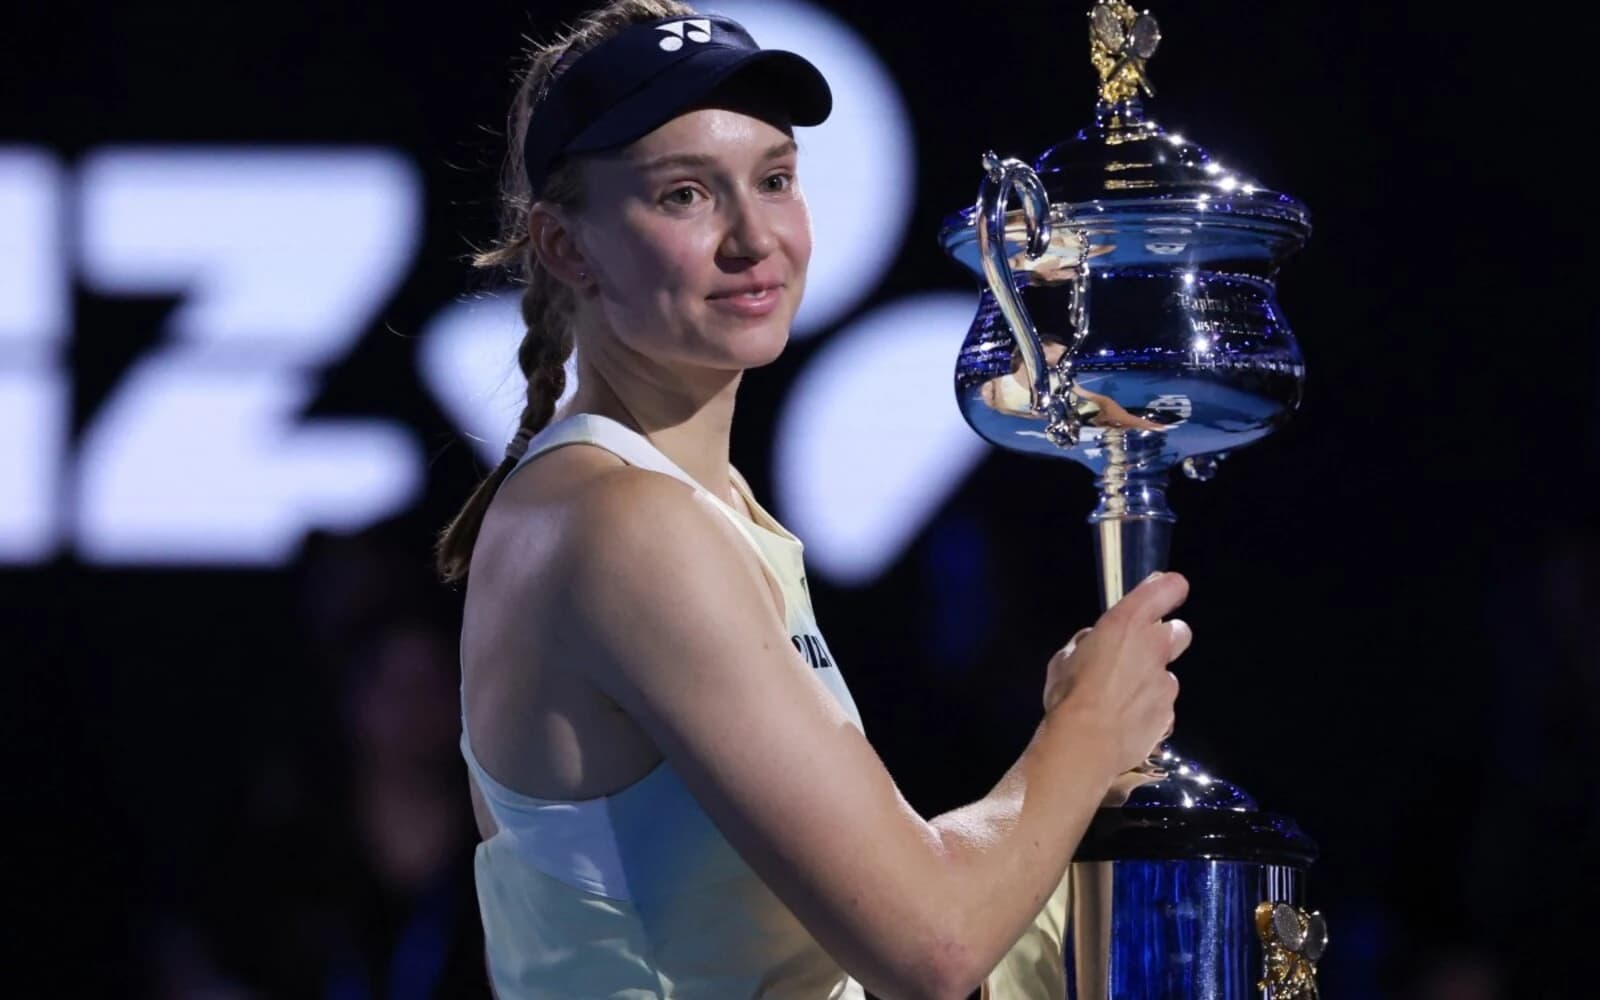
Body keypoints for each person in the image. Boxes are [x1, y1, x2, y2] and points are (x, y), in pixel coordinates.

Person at [435, 3, 1193, 997]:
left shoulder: (709, 511)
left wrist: (1081, 803)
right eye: (683, 195)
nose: (754, 238)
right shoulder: (619, 521)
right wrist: (1087, 732)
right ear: (566, 246)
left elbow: (883, 917)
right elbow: (930, 946)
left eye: (775, 179)